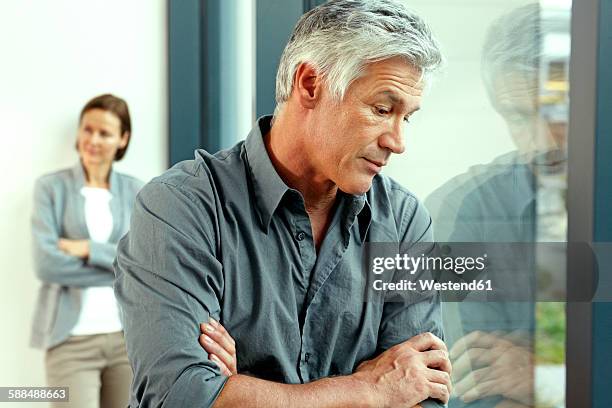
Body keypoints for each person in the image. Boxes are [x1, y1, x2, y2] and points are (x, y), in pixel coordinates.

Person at [115, 1, 451, 407]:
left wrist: (241, 391)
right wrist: (370, 389)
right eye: (382, 109)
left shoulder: (403, 221)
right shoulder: (181, 206)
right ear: (309, 84)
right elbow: (179, 395)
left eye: (406, 117)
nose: (397, 142)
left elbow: (422, 394)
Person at [31, 94, 144, 408]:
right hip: (70, 341)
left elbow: (142, 263)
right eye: (87, 130)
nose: (93, 140)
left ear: (123, 139)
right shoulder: (51, 189)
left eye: (105, 133)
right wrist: (115, 264)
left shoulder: (136, 190)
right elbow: (46, 265)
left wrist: (86, 249)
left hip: (127, 340)